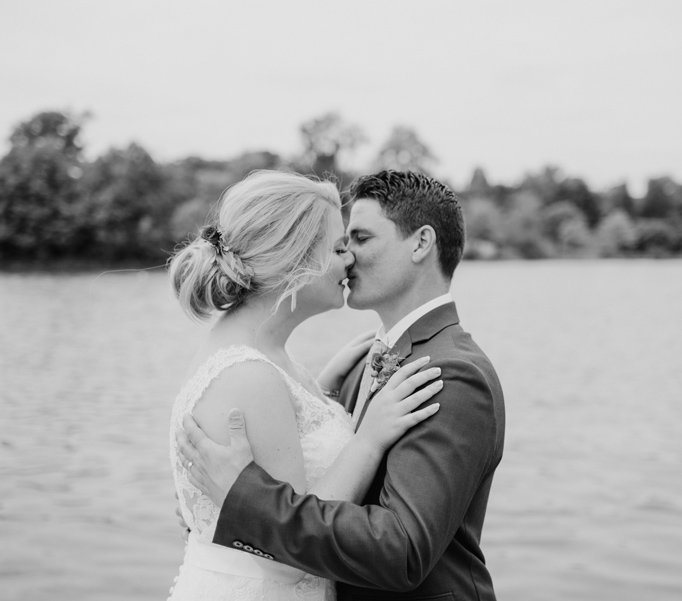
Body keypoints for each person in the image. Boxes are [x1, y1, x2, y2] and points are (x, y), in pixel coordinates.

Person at [177, 170, 506, 601]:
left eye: (361, 239)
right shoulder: (356, 363)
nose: (348, 257)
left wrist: (243, 500)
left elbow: (401, 549)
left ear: (421, 243)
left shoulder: (452, 373)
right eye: (339, 245)